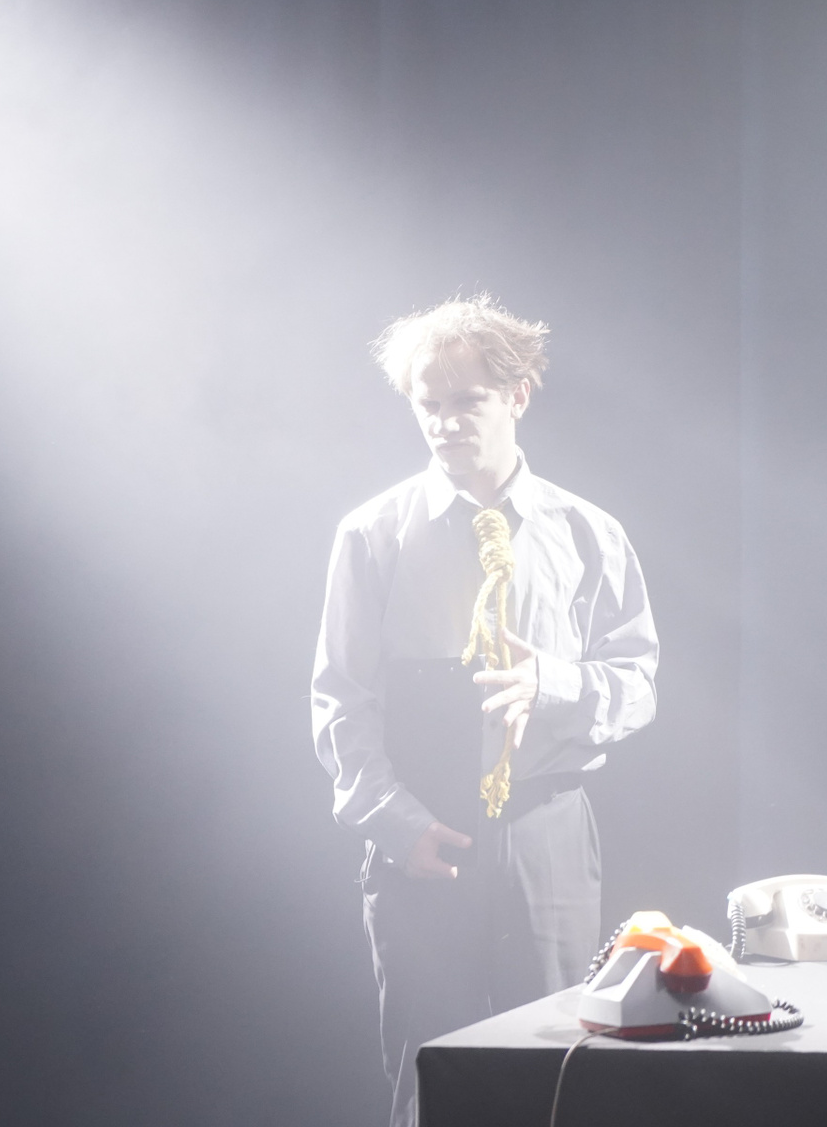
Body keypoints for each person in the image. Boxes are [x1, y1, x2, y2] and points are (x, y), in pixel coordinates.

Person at [310, 294, 659, 1127]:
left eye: (466, 401)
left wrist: (553, 685)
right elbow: (342, 700)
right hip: (425, 833)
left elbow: (639, 684)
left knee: (562, 1073)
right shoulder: (373, 535)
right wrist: (395, 823)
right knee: (433, 1078)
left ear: (517, 396)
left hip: (547, 831)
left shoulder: (588, 533)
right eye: (428, 404)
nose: (445, 423)